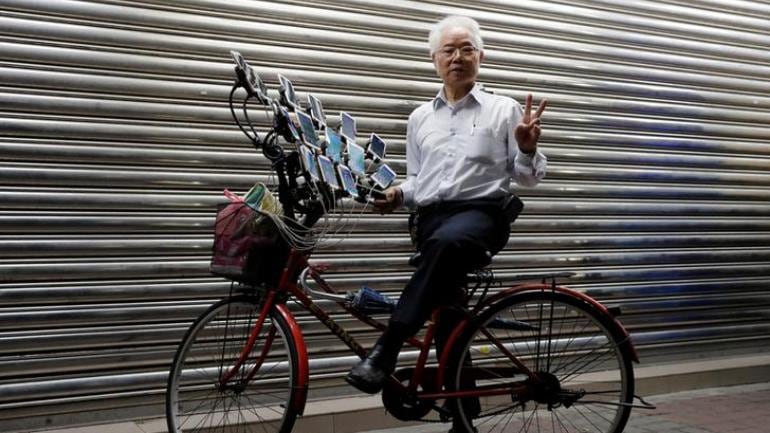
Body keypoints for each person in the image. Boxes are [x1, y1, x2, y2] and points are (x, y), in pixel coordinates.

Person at [346, 14, 547, 431]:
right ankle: (462, 415)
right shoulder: (420, 118)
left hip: (481, 217)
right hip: (432, 221)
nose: (457, 57)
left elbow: (526, 178)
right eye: (448, 50)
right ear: (434, 59)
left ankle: (387, 349)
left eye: (466, 49)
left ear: (481, 56)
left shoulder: (504, 109)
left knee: (446, 250)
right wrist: (398, 194)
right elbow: (421, 180)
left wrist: (526, 150)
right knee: (448, 318)